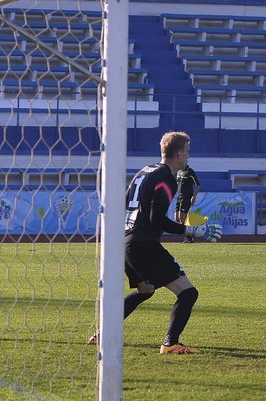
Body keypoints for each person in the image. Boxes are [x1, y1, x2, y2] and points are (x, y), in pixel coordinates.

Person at [94, 131, 222, 354]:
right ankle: (170, 343)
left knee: (145, 290)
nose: (188, 157)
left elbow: (123, 204)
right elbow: (156, 219)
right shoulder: (166, 178)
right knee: (188, 293)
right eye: (188, 152)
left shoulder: (145, 171)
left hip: (124, 242)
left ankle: (102, 333)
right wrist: (190, 231)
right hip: (143, 245)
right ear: (180, 153)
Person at [175, 165, 201, 243]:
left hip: (186, 197)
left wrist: (194, 196)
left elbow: (197, 185)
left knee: (182, 218)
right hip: (179, 196)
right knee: (177, 218)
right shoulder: (178, 171)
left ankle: (189, 237)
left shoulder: (190, 172)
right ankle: (191, 232)